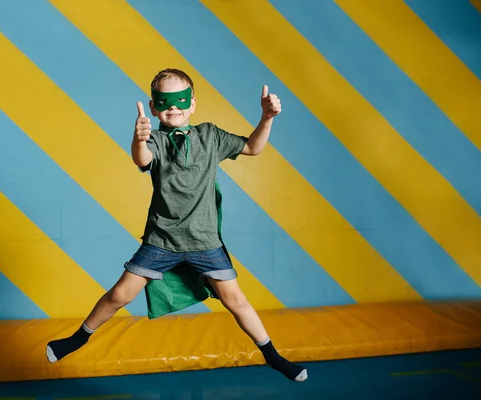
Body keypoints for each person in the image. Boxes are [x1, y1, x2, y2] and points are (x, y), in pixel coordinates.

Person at [46, 68, 307, 383]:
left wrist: (267, 118)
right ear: (155, 107)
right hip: (162, 241)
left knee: (236, 301)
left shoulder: (210, 136)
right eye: (166, 102)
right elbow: (142, 159)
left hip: (205, 241)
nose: (174, 108)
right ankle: (78, 338)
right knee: (120, 295)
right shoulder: (154, 139)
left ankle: (274, 357)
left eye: (181, 100)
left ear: (193, 104)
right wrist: (139, 137)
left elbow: (252, 147)